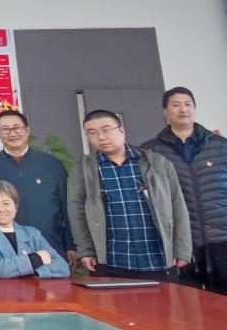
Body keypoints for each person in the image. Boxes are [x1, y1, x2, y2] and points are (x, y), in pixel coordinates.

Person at [68, 109, 191, 282]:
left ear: (122, 131)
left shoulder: (156, 163)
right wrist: (85, 250)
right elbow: (77, 212)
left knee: (166, 300)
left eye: (106, 130)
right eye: (92, 132)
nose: (101, 137)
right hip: (111, 259)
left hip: (158, 257)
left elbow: (178, 206)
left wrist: (182, 249)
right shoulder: (83, 169)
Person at [141, 87, 227, 293]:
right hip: (182, 240)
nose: (183, 109)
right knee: (190, 299)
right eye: (176, 105)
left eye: (188, 104)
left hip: (222, 236)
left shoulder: (220, 146)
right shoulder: (151, 151)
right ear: (165, 111)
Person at [0, 111, 75, 259]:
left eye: (17, 128)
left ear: (27, 130)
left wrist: (71, 245)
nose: (12, 133)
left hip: (51, 243)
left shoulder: (51, 163)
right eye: (5, 129)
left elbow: (66, 204)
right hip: (8, 248)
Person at [0, 180, 69, 279]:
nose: (0, 209)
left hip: (33, 288)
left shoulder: (33, 234)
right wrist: (37, 258)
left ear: (16, 206)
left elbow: (63, 267)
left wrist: (30, 271)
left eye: (6, 203)